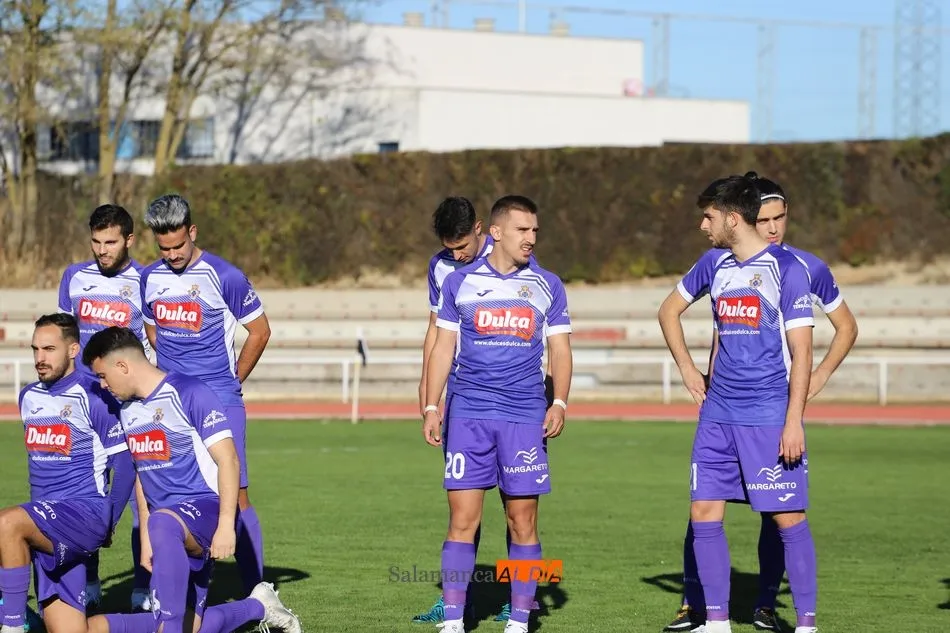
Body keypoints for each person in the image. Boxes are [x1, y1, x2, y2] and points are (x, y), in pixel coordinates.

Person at [663, 174, 858, 633]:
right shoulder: (714, 264)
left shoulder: (796, 269)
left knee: (785, 517)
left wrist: (797, 415)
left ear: (731, 218)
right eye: (764, 218)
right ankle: (711, 618)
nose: (772, 227)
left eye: (708, 216)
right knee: (702, 511)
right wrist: (691, 372)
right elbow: (682, 315)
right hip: (718, 414)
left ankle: (799, 620)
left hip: (768, 412)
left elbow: (807, 348)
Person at [81, 326, 300, 633]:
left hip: (207, 510)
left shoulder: (190, 392)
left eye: (103, 376)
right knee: (187, 625)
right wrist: (146, 536)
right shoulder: (128, 411)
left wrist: (226, 525)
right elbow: (143, 477)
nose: (103, 385)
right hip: (167, 528)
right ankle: (259, 606)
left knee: (163, 524)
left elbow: (228, 459)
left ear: (122, 366)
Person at [422, 195, 573, 633]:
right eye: (523, 230)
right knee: (462, 520)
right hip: (467, 414)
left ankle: (520, 619)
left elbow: (560, 350)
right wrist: (432, 406)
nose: (532, 238)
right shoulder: (459, 283)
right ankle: (452, 620)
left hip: (524, 416)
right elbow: (442, 348)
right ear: (498, 232)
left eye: (535, 231)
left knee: (521, 519)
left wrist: (559, 401)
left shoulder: (548, 284)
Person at [139, 194, 271, 595]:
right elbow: (151, 331)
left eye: (178, 245)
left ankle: (260, 591)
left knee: (238, 495)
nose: (172, 254)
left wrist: (232, 381)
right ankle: (177, 589)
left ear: (192, 231)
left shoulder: (225, 275)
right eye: (164, 248)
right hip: (172, 407)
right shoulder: (149, 278)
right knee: (169, 494)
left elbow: (260, 331)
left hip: (219, 400)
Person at [0, 314, 135, 633]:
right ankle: (250, 607)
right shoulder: (28, 396)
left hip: (84, 514)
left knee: (6, 523)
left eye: (49, 349)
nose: (39, 358)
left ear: (73, 349)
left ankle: (13, 626)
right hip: (46, 522)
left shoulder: (95, 396)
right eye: (35, 349)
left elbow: (126, 465)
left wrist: (109, 523)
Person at [57, 203, 153, 613]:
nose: (102, 249)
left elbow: (155, 344)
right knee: (86, 492)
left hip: (132, 403)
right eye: (96, 242)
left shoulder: (147, 280)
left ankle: (143, 585)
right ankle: (91, 580)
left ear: (129, 240)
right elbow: (64, 338)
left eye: (110, 242)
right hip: (85, 404)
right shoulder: (74, 278)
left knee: (142, 495)